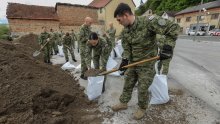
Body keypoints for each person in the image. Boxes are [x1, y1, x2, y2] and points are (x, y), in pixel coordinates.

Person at [111, 3, 180, 120]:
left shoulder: (148, 21)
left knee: (143, 89)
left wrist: (167, 47)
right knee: (128, 83)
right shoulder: (126, 31)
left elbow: (173, 28)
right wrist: (124, 61)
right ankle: (123, 102)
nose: (118, 22)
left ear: (126, 15)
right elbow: (127, 47)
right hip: (133, 63)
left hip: (147, 64)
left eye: (119, 19)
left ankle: (142, 108)